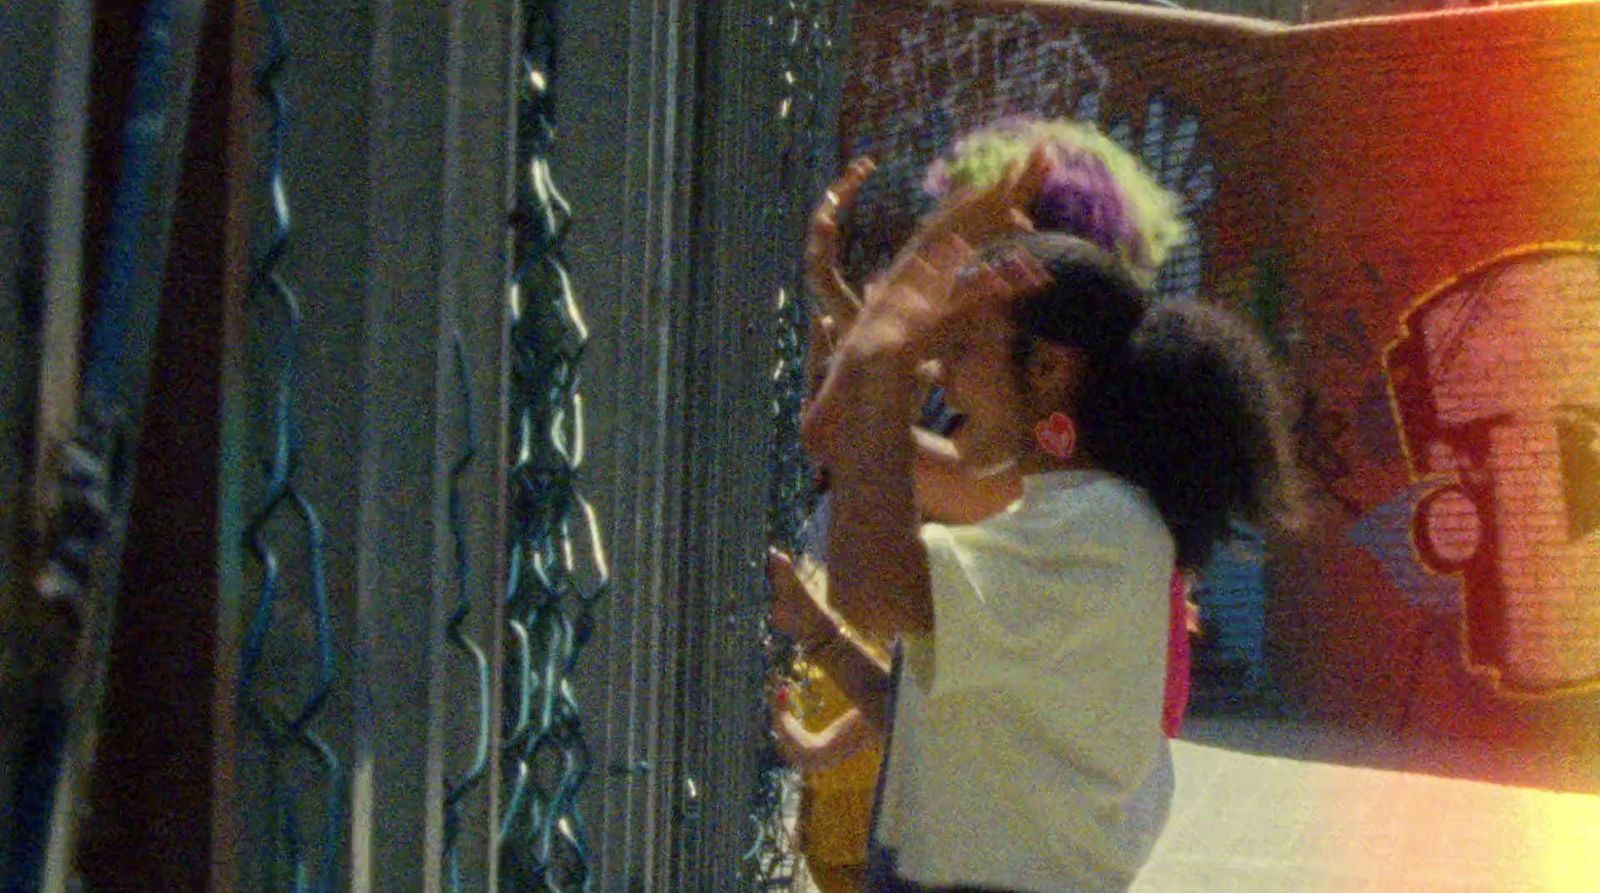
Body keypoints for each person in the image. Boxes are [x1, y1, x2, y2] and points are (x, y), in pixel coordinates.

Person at [771, 117, 1304, 893]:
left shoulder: (1100, 528)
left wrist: (889, 353)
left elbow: (871, 583)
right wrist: (897, 302)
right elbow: (840, 436)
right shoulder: (1063, 507)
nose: (941, 377)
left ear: (1050, 368)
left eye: (962, 347)